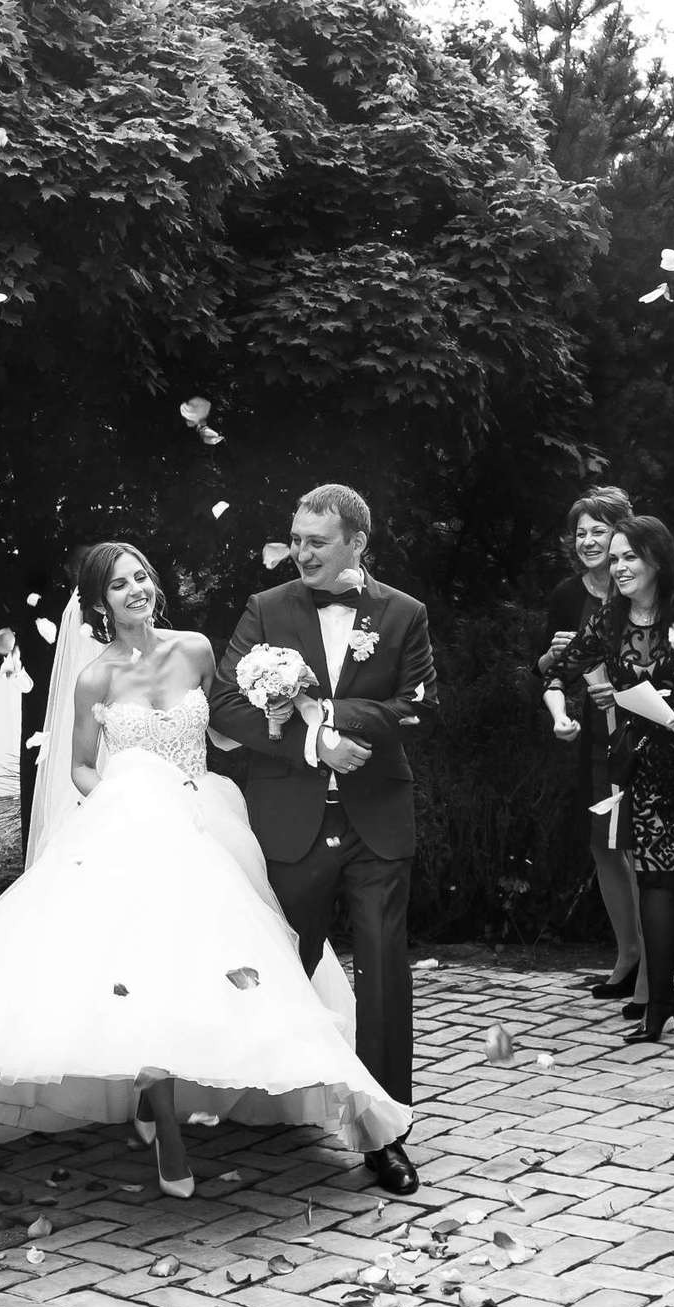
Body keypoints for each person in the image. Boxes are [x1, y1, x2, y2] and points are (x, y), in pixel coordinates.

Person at [0, 541, 413, 1192]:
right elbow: (79, 767)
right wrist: (127, 800)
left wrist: (275, 710)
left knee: (215, 967)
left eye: (142, 577)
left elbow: (223, 730)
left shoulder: (196, 650)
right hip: (130, 825)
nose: (137, 590)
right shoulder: (94, 679)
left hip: (204, 821)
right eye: (120, 584)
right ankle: (165, 1123)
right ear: (100, 602)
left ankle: (188, 1094)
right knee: (142, 968)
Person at [208, 486, 438, 1194]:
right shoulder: (266, 608)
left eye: (317, 542)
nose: (301, 553)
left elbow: (419, 709)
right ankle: (251, 1092)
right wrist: (314, 746)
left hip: (376, 823)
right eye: (297, 539)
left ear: (356, 543)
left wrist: (332, 714)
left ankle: (385, 1134)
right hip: (289, 821)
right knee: (279, 965)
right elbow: (225, 706)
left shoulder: (403, 614)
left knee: (383, 974)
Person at [551, 516, 674, 1048]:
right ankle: (661, 1001)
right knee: (656, 882)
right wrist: (567, 701)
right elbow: (560, 669)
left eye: (628, 557)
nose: (617, 567)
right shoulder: (610, 618)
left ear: (656, 560)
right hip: (654, 768)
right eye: (614, 558)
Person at [537, 486, 643, 1007]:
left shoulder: (642, 587)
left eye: (599, 530)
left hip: (644, 731)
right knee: (605, 846)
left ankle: (652, 965)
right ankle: (628, 956)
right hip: (596, 735)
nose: (589, 541)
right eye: (581, 533)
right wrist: (551, 660)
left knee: (641, 846)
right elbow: (547, 669)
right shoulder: (565, 596)